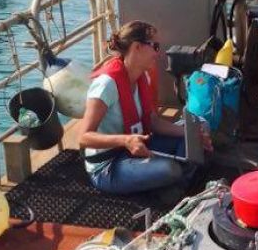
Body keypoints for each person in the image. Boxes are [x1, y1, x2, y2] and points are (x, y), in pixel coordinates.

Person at [79, 20, 212, 201]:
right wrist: (126, 141)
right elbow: (84, 137)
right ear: (137, 47)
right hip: (109, 164)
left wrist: (190, 133)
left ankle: (173, 184)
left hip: (141, 146)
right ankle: (175, 183)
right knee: (169, 169)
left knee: (201, 125)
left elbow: (153, 122)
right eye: (155, 46)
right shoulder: (106, 85)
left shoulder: (143, 77)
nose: (158, 53)